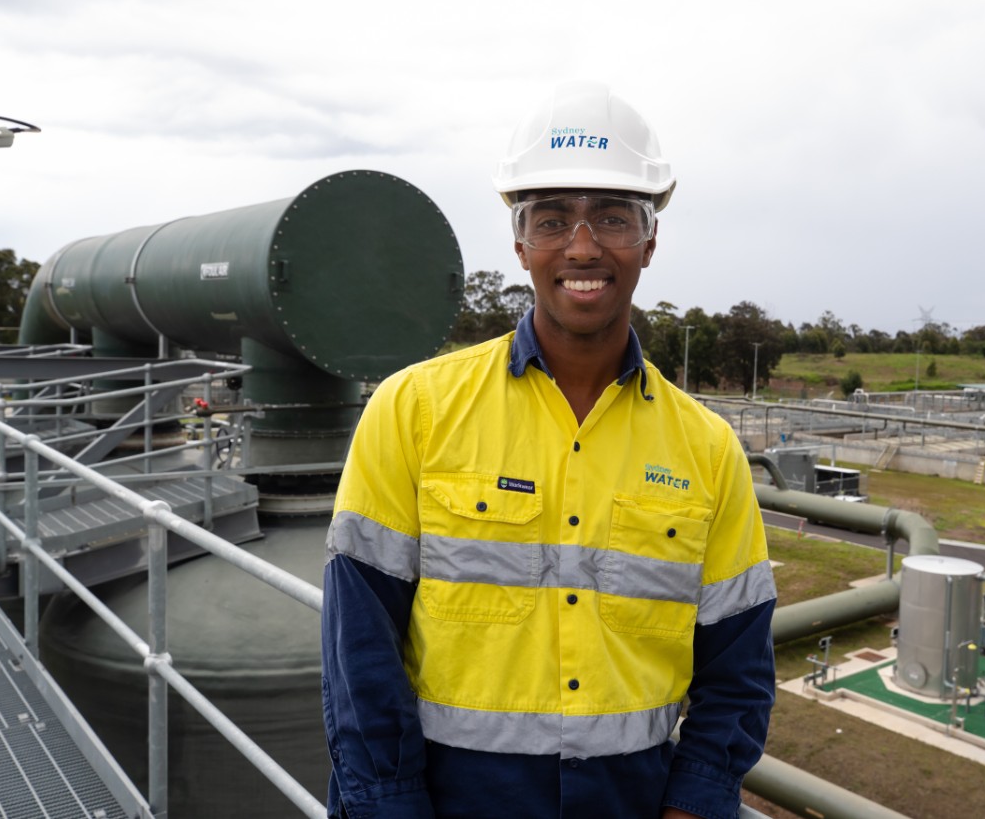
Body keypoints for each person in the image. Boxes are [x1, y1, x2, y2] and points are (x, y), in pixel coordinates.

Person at [321, 81, 776, 819]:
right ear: (520, 241)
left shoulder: (707, 449)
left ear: (650, 241)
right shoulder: (413, 412)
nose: (583, 246)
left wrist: (693, 805)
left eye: (613, 218)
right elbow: (359, 655)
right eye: (553, 218)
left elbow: (738, 669)